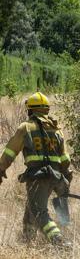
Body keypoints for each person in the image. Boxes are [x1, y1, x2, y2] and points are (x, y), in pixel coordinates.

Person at [0, 92, 72, 247]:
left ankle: (59, 241)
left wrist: (1, 169)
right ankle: (28, 243)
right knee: (30, 211)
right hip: (56, 177)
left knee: (39, 212)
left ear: (30, 110)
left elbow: (10, 152)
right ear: (46, 110)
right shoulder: (57, 130)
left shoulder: (26, 127)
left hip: (38, 178)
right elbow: (66, 160)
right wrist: (64, 180)